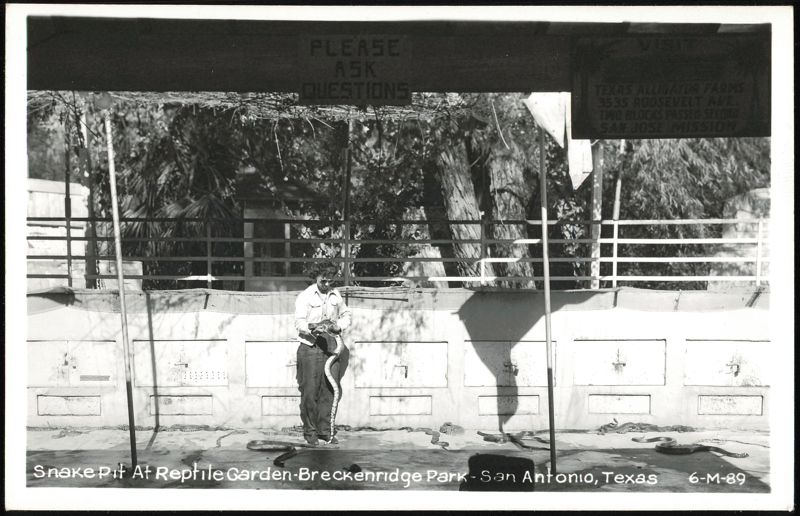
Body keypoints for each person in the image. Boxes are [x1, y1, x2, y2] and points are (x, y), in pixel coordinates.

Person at [294, 262, 351, 446]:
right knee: (310, 391)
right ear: (316, 276)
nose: (326, 283)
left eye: (330, 280)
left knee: (329, 390)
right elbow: (299, 323)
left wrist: (338, 326)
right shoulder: (306, 296)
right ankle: (310, 432)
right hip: (310, 347)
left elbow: (347, 315)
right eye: (323, 280)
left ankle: (325, 431)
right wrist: (313, 328)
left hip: (331, 347)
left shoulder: (336, 295)